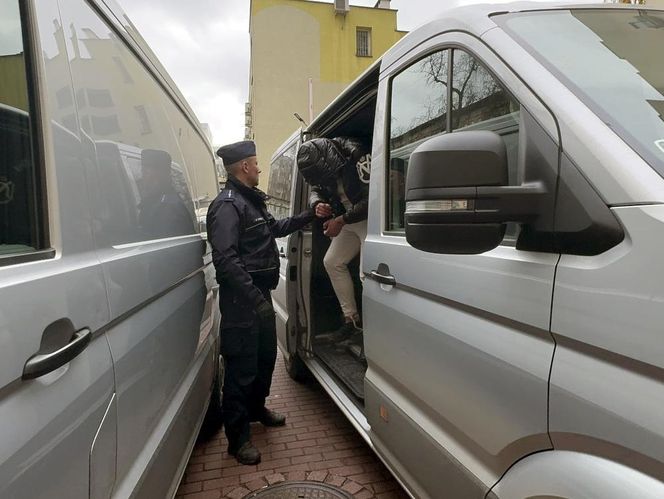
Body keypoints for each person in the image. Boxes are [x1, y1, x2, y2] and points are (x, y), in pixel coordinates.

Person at [206, 140, 316, 465]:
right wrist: (255, 299)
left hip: (259, 298)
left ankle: (257, 410)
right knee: (240, 369)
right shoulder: (228, 205)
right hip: (243, 302)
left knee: (265, 359)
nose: (258, 169)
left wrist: (308, 216)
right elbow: (225, 259)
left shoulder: (251, 202)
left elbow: (276, 228)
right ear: (243, 167)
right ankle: (238, 440)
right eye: (256, 164)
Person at [296, 137, 370, 340]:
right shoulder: (320, 164)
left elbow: (371, 200)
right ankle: (351, 320)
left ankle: (373, 335)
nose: (326, 180)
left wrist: (341, 220)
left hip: (369, 218)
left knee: (367, 275)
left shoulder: (358, 154)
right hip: (347, 218)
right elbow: (316, 189)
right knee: (332, 261)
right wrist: (317, 203)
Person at [138, 148, 194, 239]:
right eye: (143, 172)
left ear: (163, 174)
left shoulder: (169, 207)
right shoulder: (152, 202)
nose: (144, 178)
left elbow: (166, 247)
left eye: (147, 172)